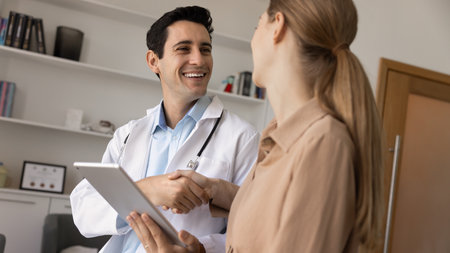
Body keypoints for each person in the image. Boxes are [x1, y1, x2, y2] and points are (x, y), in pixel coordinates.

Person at [127, 0, 385, 252]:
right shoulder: (278, 138)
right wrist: (214, 191)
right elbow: (264, 221)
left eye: (257, 27)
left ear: (278, 27)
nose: (199, 60)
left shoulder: (323, 143)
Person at [70, 6, 259, 253]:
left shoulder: (242, 137)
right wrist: (146, 190)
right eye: (183, 49)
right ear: (153, 61)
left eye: (205, 49)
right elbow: (83, 209)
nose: (199, 60)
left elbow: (256, 225)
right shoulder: (127, 135)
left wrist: (201, 248)